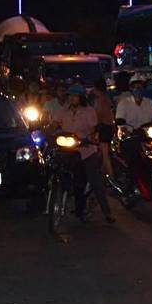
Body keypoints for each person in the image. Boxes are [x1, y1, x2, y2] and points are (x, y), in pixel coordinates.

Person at [51, 85, 114, 224]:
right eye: (70, 95)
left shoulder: (89, 111)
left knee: (95, 182)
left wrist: (89, 137)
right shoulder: (63, 111)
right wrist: (49, 131)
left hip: (86, 150)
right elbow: (54, 124)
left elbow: (93, 129)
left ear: (81, 97)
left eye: (75, 96)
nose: (72, 98)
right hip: (67, 150)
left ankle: (107, 212)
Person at [90, 78, 116, 180]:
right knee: (106, 152)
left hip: (104, 128)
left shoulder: (99, 100)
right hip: (110, 127)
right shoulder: (107, 99)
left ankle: (111, 177)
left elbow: (98, 116)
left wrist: (94, 129)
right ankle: (103, 176)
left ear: (96, 89)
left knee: (105, 155)